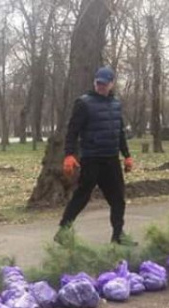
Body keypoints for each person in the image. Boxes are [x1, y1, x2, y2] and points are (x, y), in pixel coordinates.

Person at [55, 66, 135, 245]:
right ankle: (63, 231)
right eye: (98, 83)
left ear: (112, 84)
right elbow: (72, 131)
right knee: (82, 196)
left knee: (118, 200)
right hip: (91, 159)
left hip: (111, 159)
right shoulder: (83, 103)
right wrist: (69, 155)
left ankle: (118, 235)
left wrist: (127, 155)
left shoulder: (116, 104)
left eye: (104, 84)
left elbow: (119, 132)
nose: (101, 87)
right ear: (94, 82)